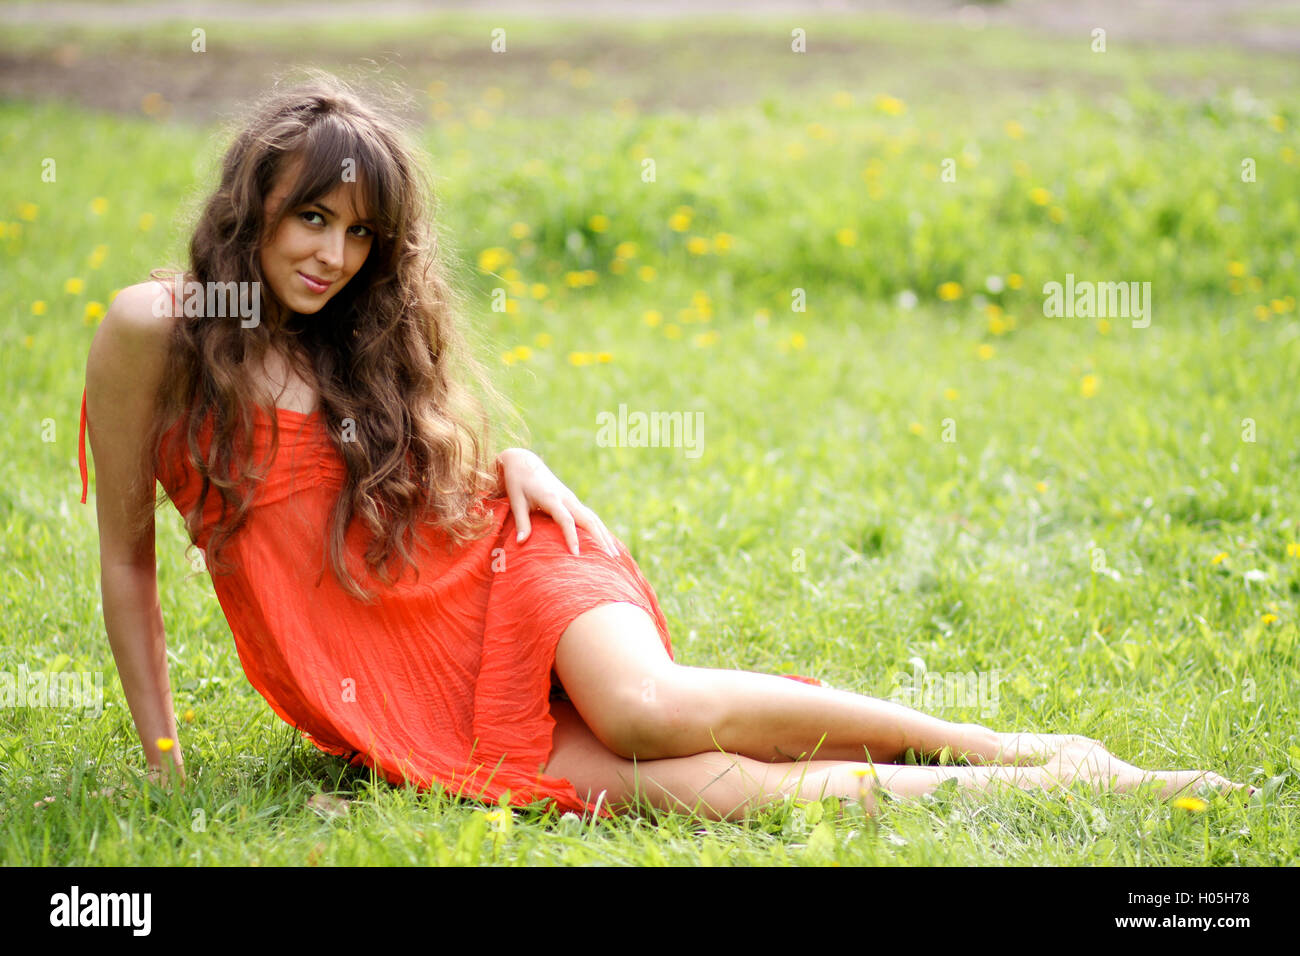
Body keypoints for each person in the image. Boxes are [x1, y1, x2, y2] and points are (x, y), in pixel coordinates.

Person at [78, 72, 1249, 823]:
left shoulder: (361, 339)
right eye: (310, 218)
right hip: (403, 669)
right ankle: (1045, 790)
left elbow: (441, 466)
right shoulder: (160, 330)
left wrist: (512, 470)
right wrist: (165, 757)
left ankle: (1017, 745)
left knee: (640, 708)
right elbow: (127, 558)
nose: (332, 256)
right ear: (253, 208)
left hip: (512, 569)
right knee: (671, 790)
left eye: (359, 235)